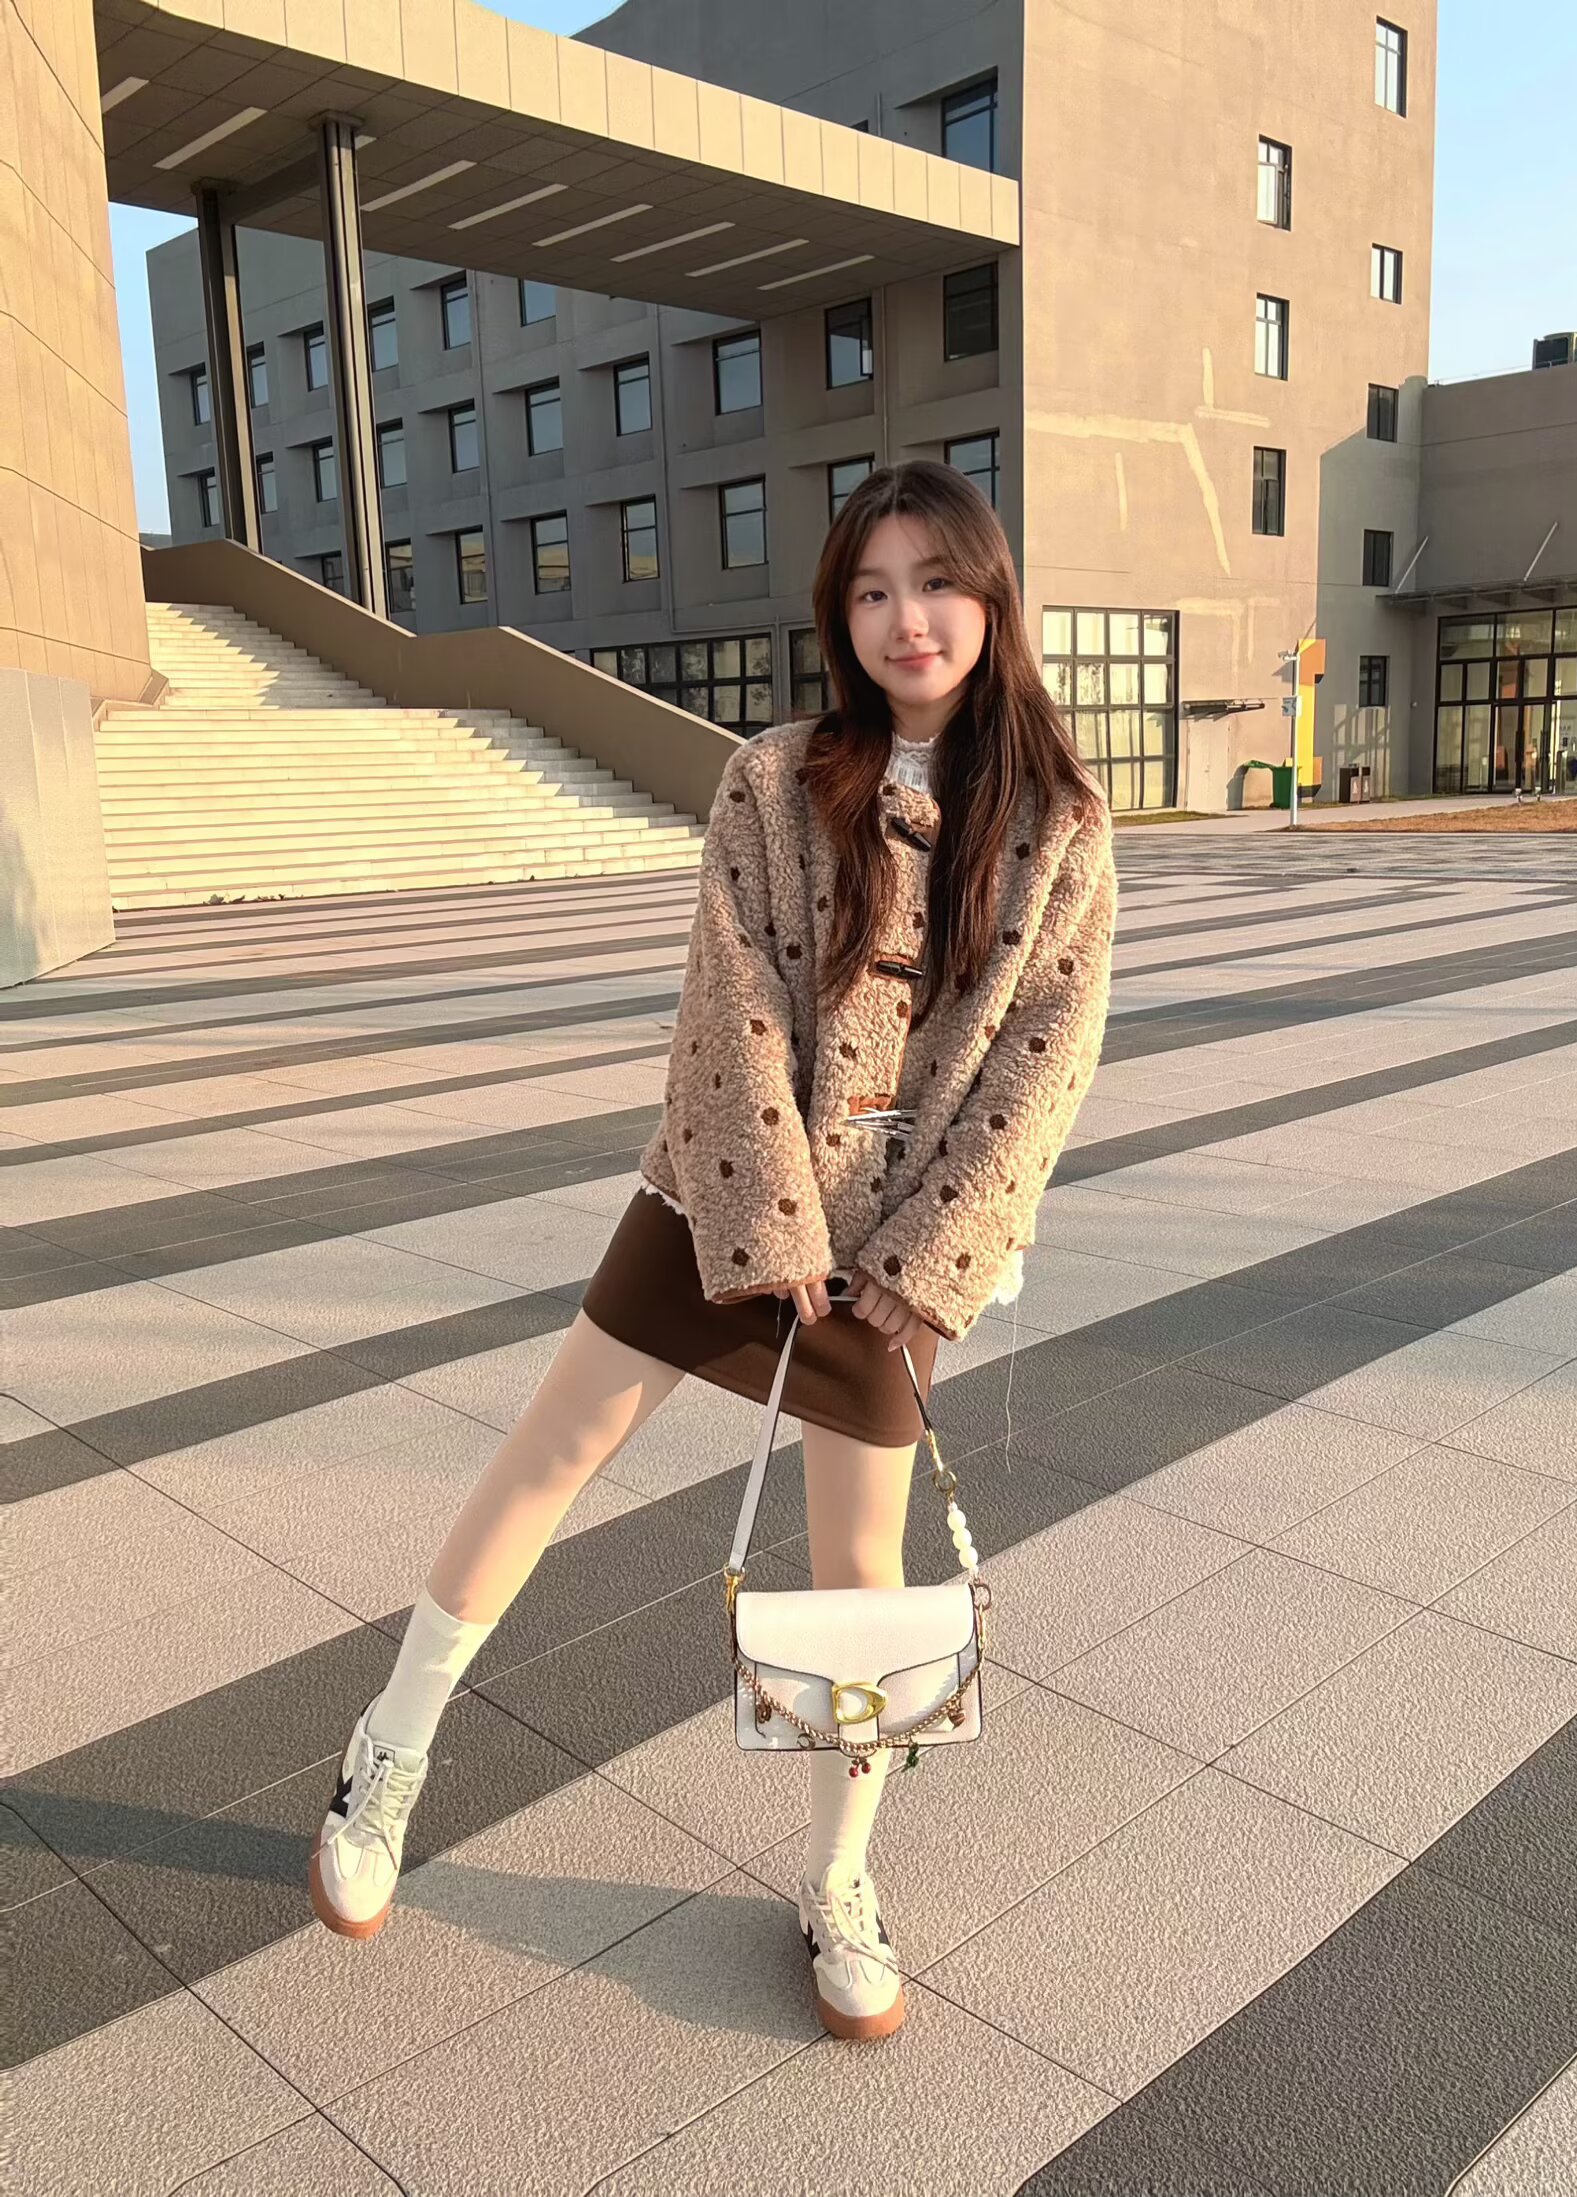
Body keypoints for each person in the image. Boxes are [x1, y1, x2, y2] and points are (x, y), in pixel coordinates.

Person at [310, 459, 1118, 2044]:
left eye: (935, 584)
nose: (906, 618)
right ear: (840, 613)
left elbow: (1047, 1060)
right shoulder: (774, 780)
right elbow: (729, 1000)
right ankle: (388, 1746)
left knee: (862, 1579)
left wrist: (919, 1257)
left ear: (991, 599)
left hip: (896, 1256)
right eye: (871, 589)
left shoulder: (1061, 827)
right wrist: (773, 1223)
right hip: (721, 1200)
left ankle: (839, 1874)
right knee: (549, 1454)